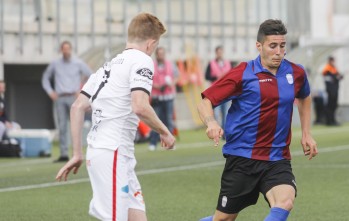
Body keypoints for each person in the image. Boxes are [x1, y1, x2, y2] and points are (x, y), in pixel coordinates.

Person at [56, 13, 175, 221]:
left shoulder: (107, 67)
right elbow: (140, 106)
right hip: (112, 152)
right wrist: (165, 132)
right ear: (151, 43)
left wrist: (77, 153)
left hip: (115, 154)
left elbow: (77, 107)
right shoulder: (142, 61)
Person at [197, 19, 318, 221]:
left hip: (277, 158)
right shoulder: (243, 73)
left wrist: (307, 133)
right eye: (273, 46)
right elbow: (206, 101)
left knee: (285, 201)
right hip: (242, 158)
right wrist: (211, 122)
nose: (279, 51)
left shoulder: (296, 73)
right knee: (224, 219)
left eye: (282, 46)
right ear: (259, 46)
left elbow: (304, 96)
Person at [42, 40, 92, 162]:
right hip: (59, 98)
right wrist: (50, 92)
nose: (66, 51)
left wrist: (82, 90)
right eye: (63, 49)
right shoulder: (55, 64)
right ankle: (64, 154)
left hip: (74, 97)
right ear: (61, 50)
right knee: (62, 126)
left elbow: (91, 75)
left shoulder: (78, 63)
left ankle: (79, 152)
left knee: (76, 125)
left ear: (71, 49)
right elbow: (45, 78)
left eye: (68, 48)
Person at [148, 46, 178, 151]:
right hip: (157, 97)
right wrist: (157, 86)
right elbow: (149, 80)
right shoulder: (152, 65)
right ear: (156, 55)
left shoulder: (170, 65)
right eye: (159, 54)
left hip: (168, 96)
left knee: (169, 120)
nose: (161, 55)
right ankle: (152, 143)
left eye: (162, 53)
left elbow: (176, 76)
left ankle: (170, 143)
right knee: (154, 120)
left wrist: (171, 84)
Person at [205, 46, 231, 131]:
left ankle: (224, 132)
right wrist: (215, 77)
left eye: (221, 52)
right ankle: (217, 130)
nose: (219, 54)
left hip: (225, 92)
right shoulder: (211, 63)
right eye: (218, 52)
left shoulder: (227, 63)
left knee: (225, 113)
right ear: (216, 53)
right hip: (215, 92)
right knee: (216, 113)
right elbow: (207, 76)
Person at [322, 56, 343, 126]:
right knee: (330, 106)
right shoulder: (327, 68)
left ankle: (333, 120)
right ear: (330, 61)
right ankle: (329, 121)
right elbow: (330, 77)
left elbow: (339, 76)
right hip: (330, 91)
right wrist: (336, 77)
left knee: (334, 105)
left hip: (335, 90)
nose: (333, 62)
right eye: (332, 61)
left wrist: (338, 77)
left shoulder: (334, 68)